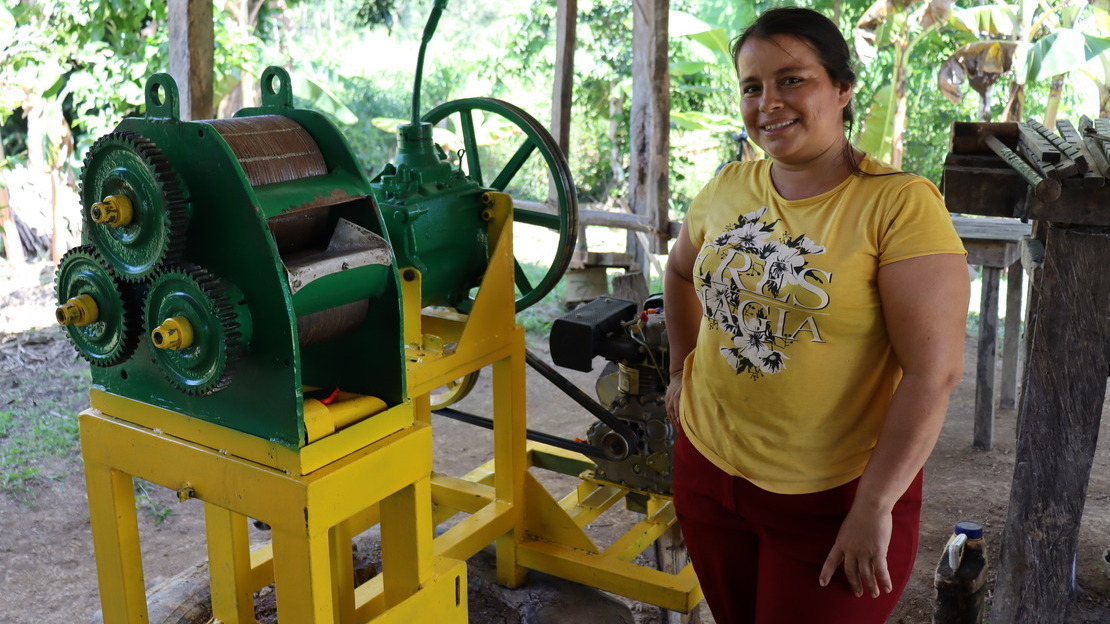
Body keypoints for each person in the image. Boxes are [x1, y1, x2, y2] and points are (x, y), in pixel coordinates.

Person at [663, 7, 970, 624]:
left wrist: (873, 505)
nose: (768, 102)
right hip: (709, 472)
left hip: (832, 499)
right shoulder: (728, 186)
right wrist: (679, 369)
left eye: (792, 79)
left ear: (842, 88)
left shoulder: (898, 207)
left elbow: (931, 374)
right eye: (752, 87)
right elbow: (678, 273)